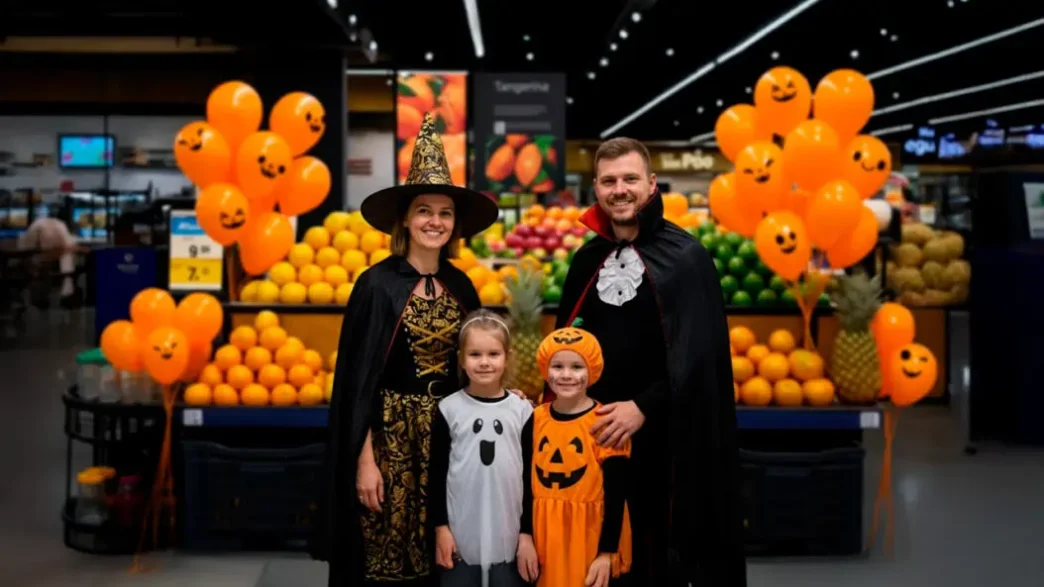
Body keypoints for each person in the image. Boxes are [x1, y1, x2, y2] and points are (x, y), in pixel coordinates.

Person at [314, 112, 500, 587]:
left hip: (450, 437)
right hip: (390, 442)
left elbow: (479, 363)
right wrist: (365, 458)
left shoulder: (462, 285)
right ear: (405, 218)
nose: (434, 221)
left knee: (444, 550)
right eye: (424, 210)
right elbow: (357, 386)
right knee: (384, 553)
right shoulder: (375, 286)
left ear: (455, 224)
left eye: (445, 213)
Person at [551, 137, 746, 586]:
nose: (620, 189)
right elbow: (569, 345)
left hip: (665, 440)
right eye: (609, 181)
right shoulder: (586, 260)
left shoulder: (687, 259)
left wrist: (642, 407)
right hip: (594, 437)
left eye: (630, 179)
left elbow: (699, 360)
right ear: (596, 189)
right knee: (598, 556)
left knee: (655, 555)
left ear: (652, 184)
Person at [428, 309, 536, 587]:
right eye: (475, 355)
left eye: (493, 354)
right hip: (460, 537)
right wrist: (441, 528)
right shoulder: (448, 409)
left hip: (509, 538)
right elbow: (436, 475)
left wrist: (527, 534)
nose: (484, 362)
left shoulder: (522, 411)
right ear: (462, 360)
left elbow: (530, 480)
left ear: (507, 358)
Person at [528, 322, 632, 587]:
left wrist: (606, 551)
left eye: (577, 367)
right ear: (545, 369)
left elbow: (617, 493)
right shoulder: (535, 418)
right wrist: (525, 535)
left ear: (592, 370)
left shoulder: (606, 422)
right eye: (557, 366)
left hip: (590, 537)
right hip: (545, 538)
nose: (566, 375)